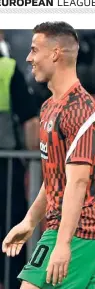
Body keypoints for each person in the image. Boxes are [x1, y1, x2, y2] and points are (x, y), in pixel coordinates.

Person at [2, 21, 95, 289]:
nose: (28, 58)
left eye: (34, 50)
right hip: (67, 228)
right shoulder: (50, 106)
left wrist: (63, 245)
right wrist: (30, 220)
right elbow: (56, 177)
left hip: (81, 230)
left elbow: (77, 181)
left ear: (55, 54)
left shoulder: (80, 110)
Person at [0, 34, 40, 289]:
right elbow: (30, 122)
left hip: (7, 165)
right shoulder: (7, 68)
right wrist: (31, 158)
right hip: (6, 167)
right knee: (10, 230)